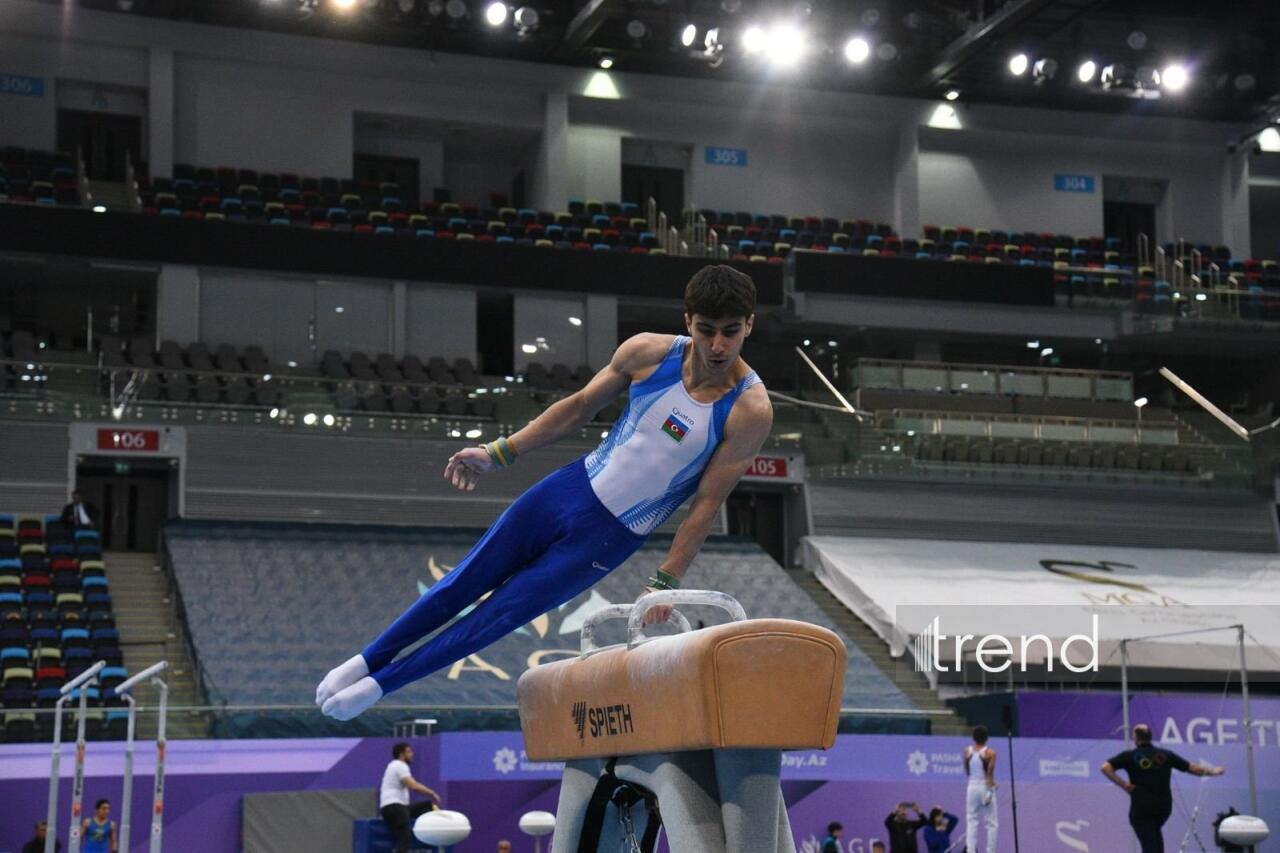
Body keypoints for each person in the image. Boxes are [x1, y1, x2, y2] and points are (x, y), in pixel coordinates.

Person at [316, 266, 773, 720]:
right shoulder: (648, 353)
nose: (718, 345)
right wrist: (498, 452)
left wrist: (667, 581)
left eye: (730, 331)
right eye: (706, 330)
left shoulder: (749, 409)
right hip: (564, 491)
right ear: (688, 321)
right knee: (463, 582)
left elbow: (707, 502)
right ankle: (367, 660)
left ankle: (381, 685)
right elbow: (577, 409)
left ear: (749, 325)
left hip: (607, 539)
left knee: (498, 617)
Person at [1101, 723, 1225, 853]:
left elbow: (1105, 767)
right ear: (1150, 737)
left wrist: (1124, 785)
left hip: (1142, 809)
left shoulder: (1129, 756)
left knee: (1150, 846)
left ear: (1136, 738)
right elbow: (1193, 768)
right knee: (1155, 843)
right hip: (1162, 808)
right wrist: (1213, 771)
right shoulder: (1166, 755)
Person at [379, 742, 442, 853]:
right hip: (395, 807)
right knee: (405, 839)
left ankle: (435, 825)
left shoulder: (394, 766)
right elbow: (414, 786)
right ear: (401, 754)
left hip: (396, 808)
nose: (412, 754)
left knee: (427, 805)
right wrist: (432, 793)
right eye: (409, 752)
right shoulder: (399, 765)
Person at [964, 725, 998, 853]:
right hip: (985, 786)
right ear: (987, 738)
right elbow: (989, 773)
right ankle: (991, 851)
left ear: (973, 738)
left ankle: (971, 850)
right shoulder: (990, 753)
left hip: (972, 786)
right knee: (991, 822)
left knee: (971, 819)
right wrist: (992, 786)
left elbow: (968, 771)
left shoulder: (967, 751)